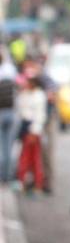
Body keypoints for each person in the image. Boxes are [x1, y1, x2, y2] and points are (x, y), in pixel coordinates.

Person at [16, 75, 47, 193]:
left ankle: (36, 183)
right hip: (25, 126)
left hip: (33, 129)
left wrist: (34, 131)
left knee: (33, 157)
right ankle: (24, 181)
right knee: (25, 156)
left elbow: (39, 115)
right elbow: (21, 108)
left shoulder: (39, 96)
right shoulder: (26, 94)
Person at [0, 52, 17, 189]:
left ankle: (1, 176)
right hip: (11, 112)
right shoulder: (10, 70)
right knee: (8, 147)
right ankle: (7, 176)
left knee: (1, 147)